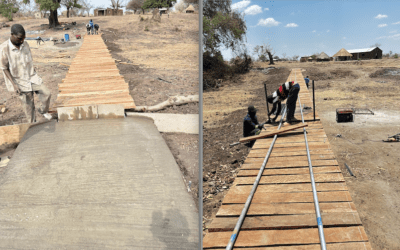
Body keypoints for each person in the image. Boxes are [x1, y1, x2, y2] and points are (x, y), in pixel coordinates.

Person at [0, 24, 52, 123]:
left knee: (47, 93)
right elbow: (4, 68)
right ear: (12, 35)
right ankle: (32, 127)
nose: (22, 41)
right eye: (20, 38)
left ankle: (43, 111)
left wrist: (34, 73)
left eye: (24, 38)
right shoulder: (4, 48)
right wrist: (14, 85)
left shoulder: (25, 44)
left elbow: (29, 61)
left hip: (32, 77)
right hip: (19, 81)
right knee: (29, 108)